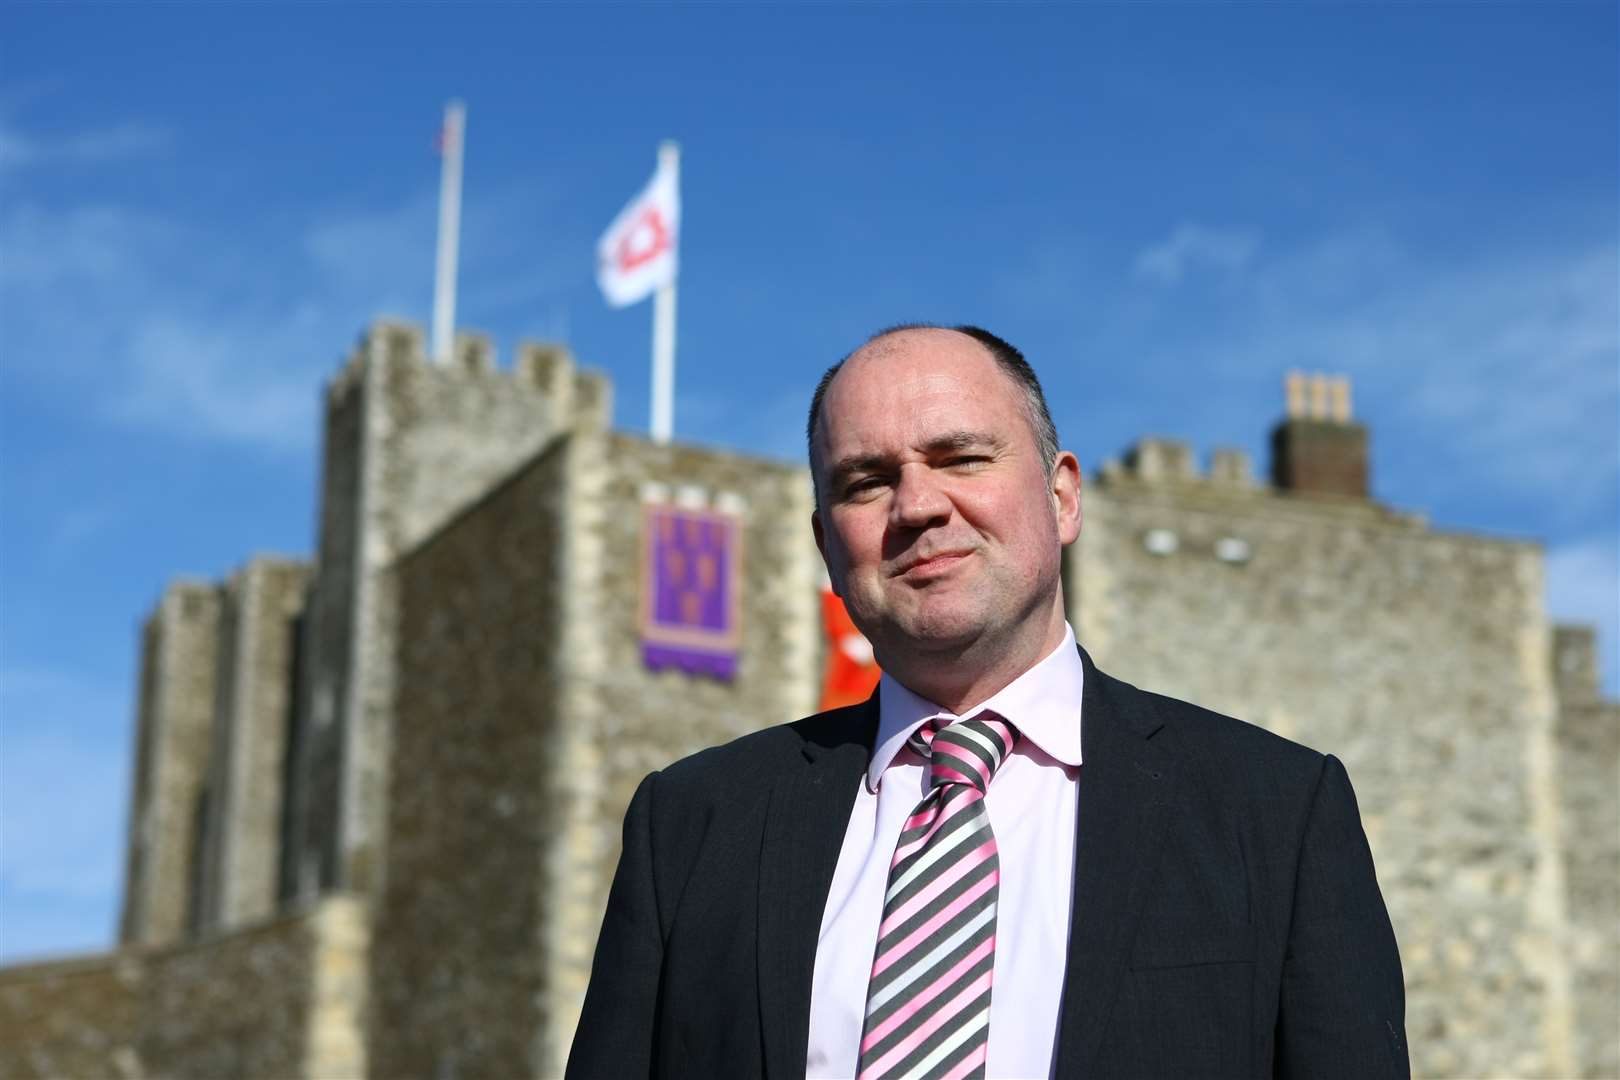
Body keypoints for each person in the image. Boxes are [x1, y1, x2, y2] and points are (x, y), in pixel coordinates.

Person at [567, 325, 1408, 1079]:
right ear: (825, 544)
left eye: (962, 458)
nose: (920, 505)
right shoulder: (692, 825)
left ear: (1063, 495)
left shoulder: (1273, 813)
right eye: (866, 482)